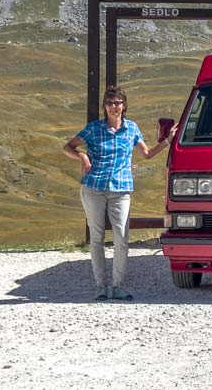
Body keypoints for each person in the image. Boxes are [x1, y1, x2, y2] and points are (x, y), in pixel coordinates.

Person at [62, 85, 175, 301]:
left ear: (124, 106)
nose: (114, 107)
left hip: (121, 189)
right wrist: (82, 157)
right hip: (93, 187)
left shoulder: (132, 128)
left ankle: (118, 286)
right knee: (97, 238)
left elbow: (147, 153)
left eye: (118, 103)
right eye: (109, 103)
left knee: (122, 237)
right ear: (105, 107)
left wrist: (168, 140)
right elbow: (67, 147)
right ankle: (101, 286)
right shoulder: (93, 128)